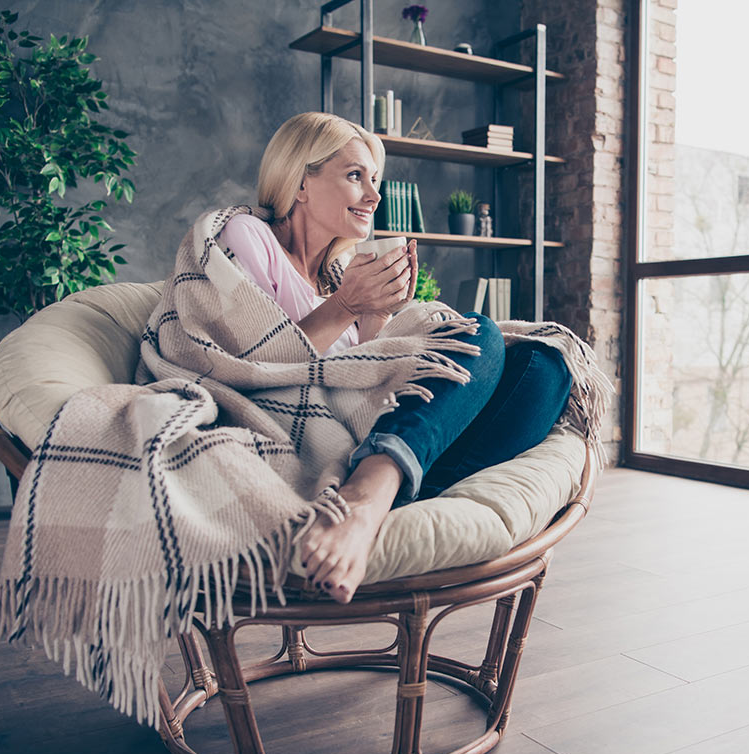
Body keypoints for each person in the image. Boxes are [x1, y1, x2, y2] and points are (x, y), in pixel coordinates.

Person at [217, 112, 573, 604]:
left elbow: (365, 370)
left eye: (375, 180)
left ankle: (387, 485)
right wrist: (346, 306)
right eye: (355, 176)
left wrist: (376, 315)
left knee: (544, 368)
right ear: (300, 182)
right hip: (315, 436)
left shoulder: (336, 270)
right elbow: (254, 364)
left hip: (377, 428)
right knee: (478, 332)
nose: (374, 196)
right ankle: (366, 497)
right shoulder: (249, 236)